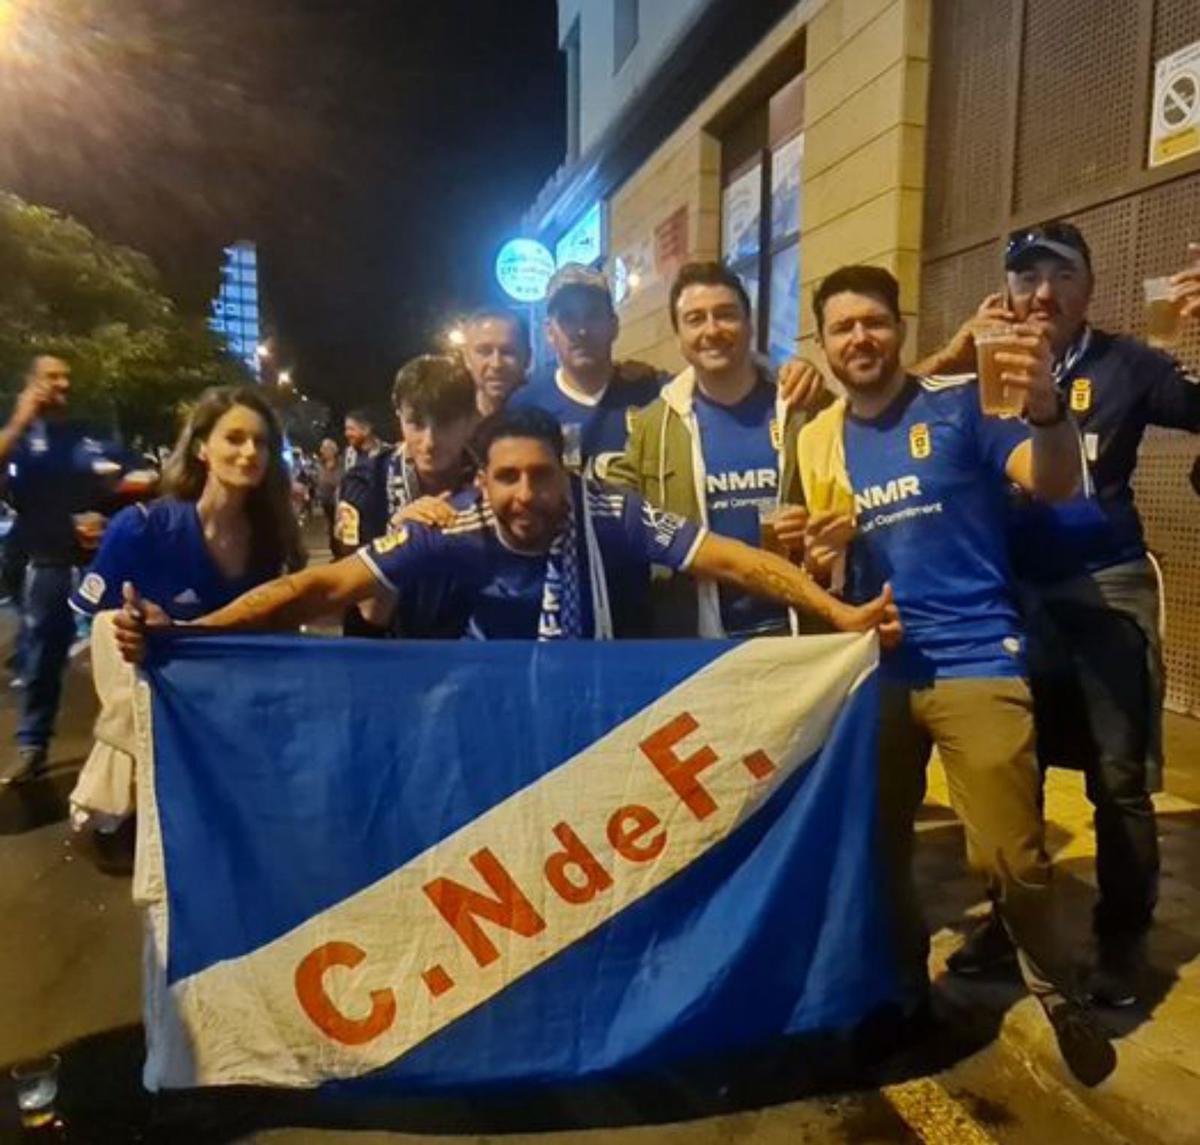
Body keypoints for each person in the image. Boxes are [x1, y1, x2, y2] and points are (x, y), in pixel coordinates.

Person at [798, 265, 1115, 1085]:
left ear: (898, 327)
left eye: (872, 322)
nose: (859, 338)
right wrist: (819, 557)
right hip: (873, 670)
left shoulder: (961, 402)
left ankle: (1056, 990)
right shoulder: (819, 436)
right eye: (842, 328)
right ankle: (905, 995)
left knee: (1008, 858)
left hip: (976, 655)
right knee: (874, 851)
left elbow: (1053, 481)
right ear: (824, 344)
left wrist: (1046, 410)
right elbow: (824, 566)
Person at [925, 224, 1200, 1009]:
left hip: (1104, 582)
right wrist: (948, 354)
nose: (1042, 291)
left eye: (1062, 274)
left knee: (1118, 779)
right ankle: (1014, 926)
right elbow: (885, 408)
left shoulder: (1131, 363)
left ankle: (1121, 942)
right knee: (1016, 768)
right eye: (1026, 275)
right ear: (1004, 290)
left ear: (1089, 286)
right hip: (1006, 590)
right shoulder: (977, 369)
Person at [114, 407, 899, 655]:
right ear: (479, 480)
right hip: (488, 727)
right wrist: (189, 628)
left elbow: (731, 559)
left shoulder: (607, 510)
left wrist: (838, 614)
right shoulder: (449, 525)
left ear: (565, 470)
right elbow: (322, 585)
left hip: (588, 721)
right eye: (507, 477)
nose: (526, 493)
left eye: (541, 474)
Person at [67, 386, 305, 832]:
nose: (250, 451)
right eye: (234, 438)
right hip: (164, 746)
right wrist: (126, 630)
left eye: (262, 442)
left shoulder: (273, 541)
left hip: (239, 738)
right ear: (201, 447)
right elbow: (84, 629)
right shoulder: (140, 528)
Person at [608, 261, 818, 637]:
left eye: (725, 315)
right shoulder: (652, 426)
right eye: (695, 319)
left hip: (798, 635)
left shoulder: (802, 407)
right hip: (699, 644)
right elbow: (611, 513)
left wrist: (816, 526)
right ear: (678, 336)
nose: (712, 330)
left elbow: (850, 499)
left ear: (749, 324)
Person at [0, 355, 141, 785]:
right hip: (49, 564)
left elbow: (145, 475)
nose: (62, 383)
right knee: (41, 654)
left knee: (124, 656)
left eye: (66, 376)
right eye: (50, 376)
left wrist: (108, 504)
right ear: (31, 383)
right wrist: (22, 415)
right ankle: (32, 746)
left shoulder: (89, 435)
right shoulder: (21, 440)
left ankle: (130, 753)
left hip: (103, 566)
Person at [333, 355, 481, 637]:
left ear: (471, 420)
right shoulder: (365, 483)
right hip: (382, 654)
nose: (430, 441)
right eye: (416, 423)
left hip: (469, 655)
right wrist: (396, 540)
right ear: (398, 416)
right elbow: (368, 612)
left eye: (445, 423)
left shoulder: (490, 483)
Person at [509, 263, 664, 479]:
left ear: (614, 325)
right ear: (549, 332)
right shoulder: (526, 407)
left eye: (593, 315)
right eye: (568, 318)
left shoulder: (655, 394)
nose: (582, 331)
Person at [459, 307, 531, 420]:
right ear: (466, 357)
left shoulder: (550, 419)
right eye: (485, 352)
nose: (496, 364)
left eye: (508, 352)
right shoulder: (448, 424)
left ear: (528, 357)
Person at [313, 438, 342, 551]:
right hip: (326, 500)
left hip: (338, 500)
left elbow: (341, 479)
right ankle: (334, 550)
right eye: (323, 448)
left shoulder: (341, 463)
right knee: (330, 525)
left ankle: (340, 551)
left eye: (326, 449)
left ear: (333, 450)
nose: (323, 451)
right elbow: (316, 479)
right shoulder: (319, 464)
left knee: (338, 525)